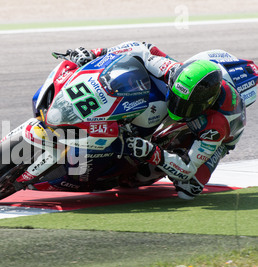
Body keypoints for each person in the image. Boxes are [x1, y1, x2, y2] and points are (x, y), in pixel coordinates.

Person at [67, 42, 246, 199]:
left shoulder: (216, 125)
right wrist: (97, 53)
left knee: (188, 189)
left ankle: (162, 153)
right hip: (194, 105)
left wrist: (153, 153)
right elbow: (140, 49)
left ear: (205, 104)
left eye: (185, 105)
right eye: (177, 99)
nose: (177, 107)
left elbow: (188, 168)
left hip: (218, 137)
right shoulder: (173, 71)